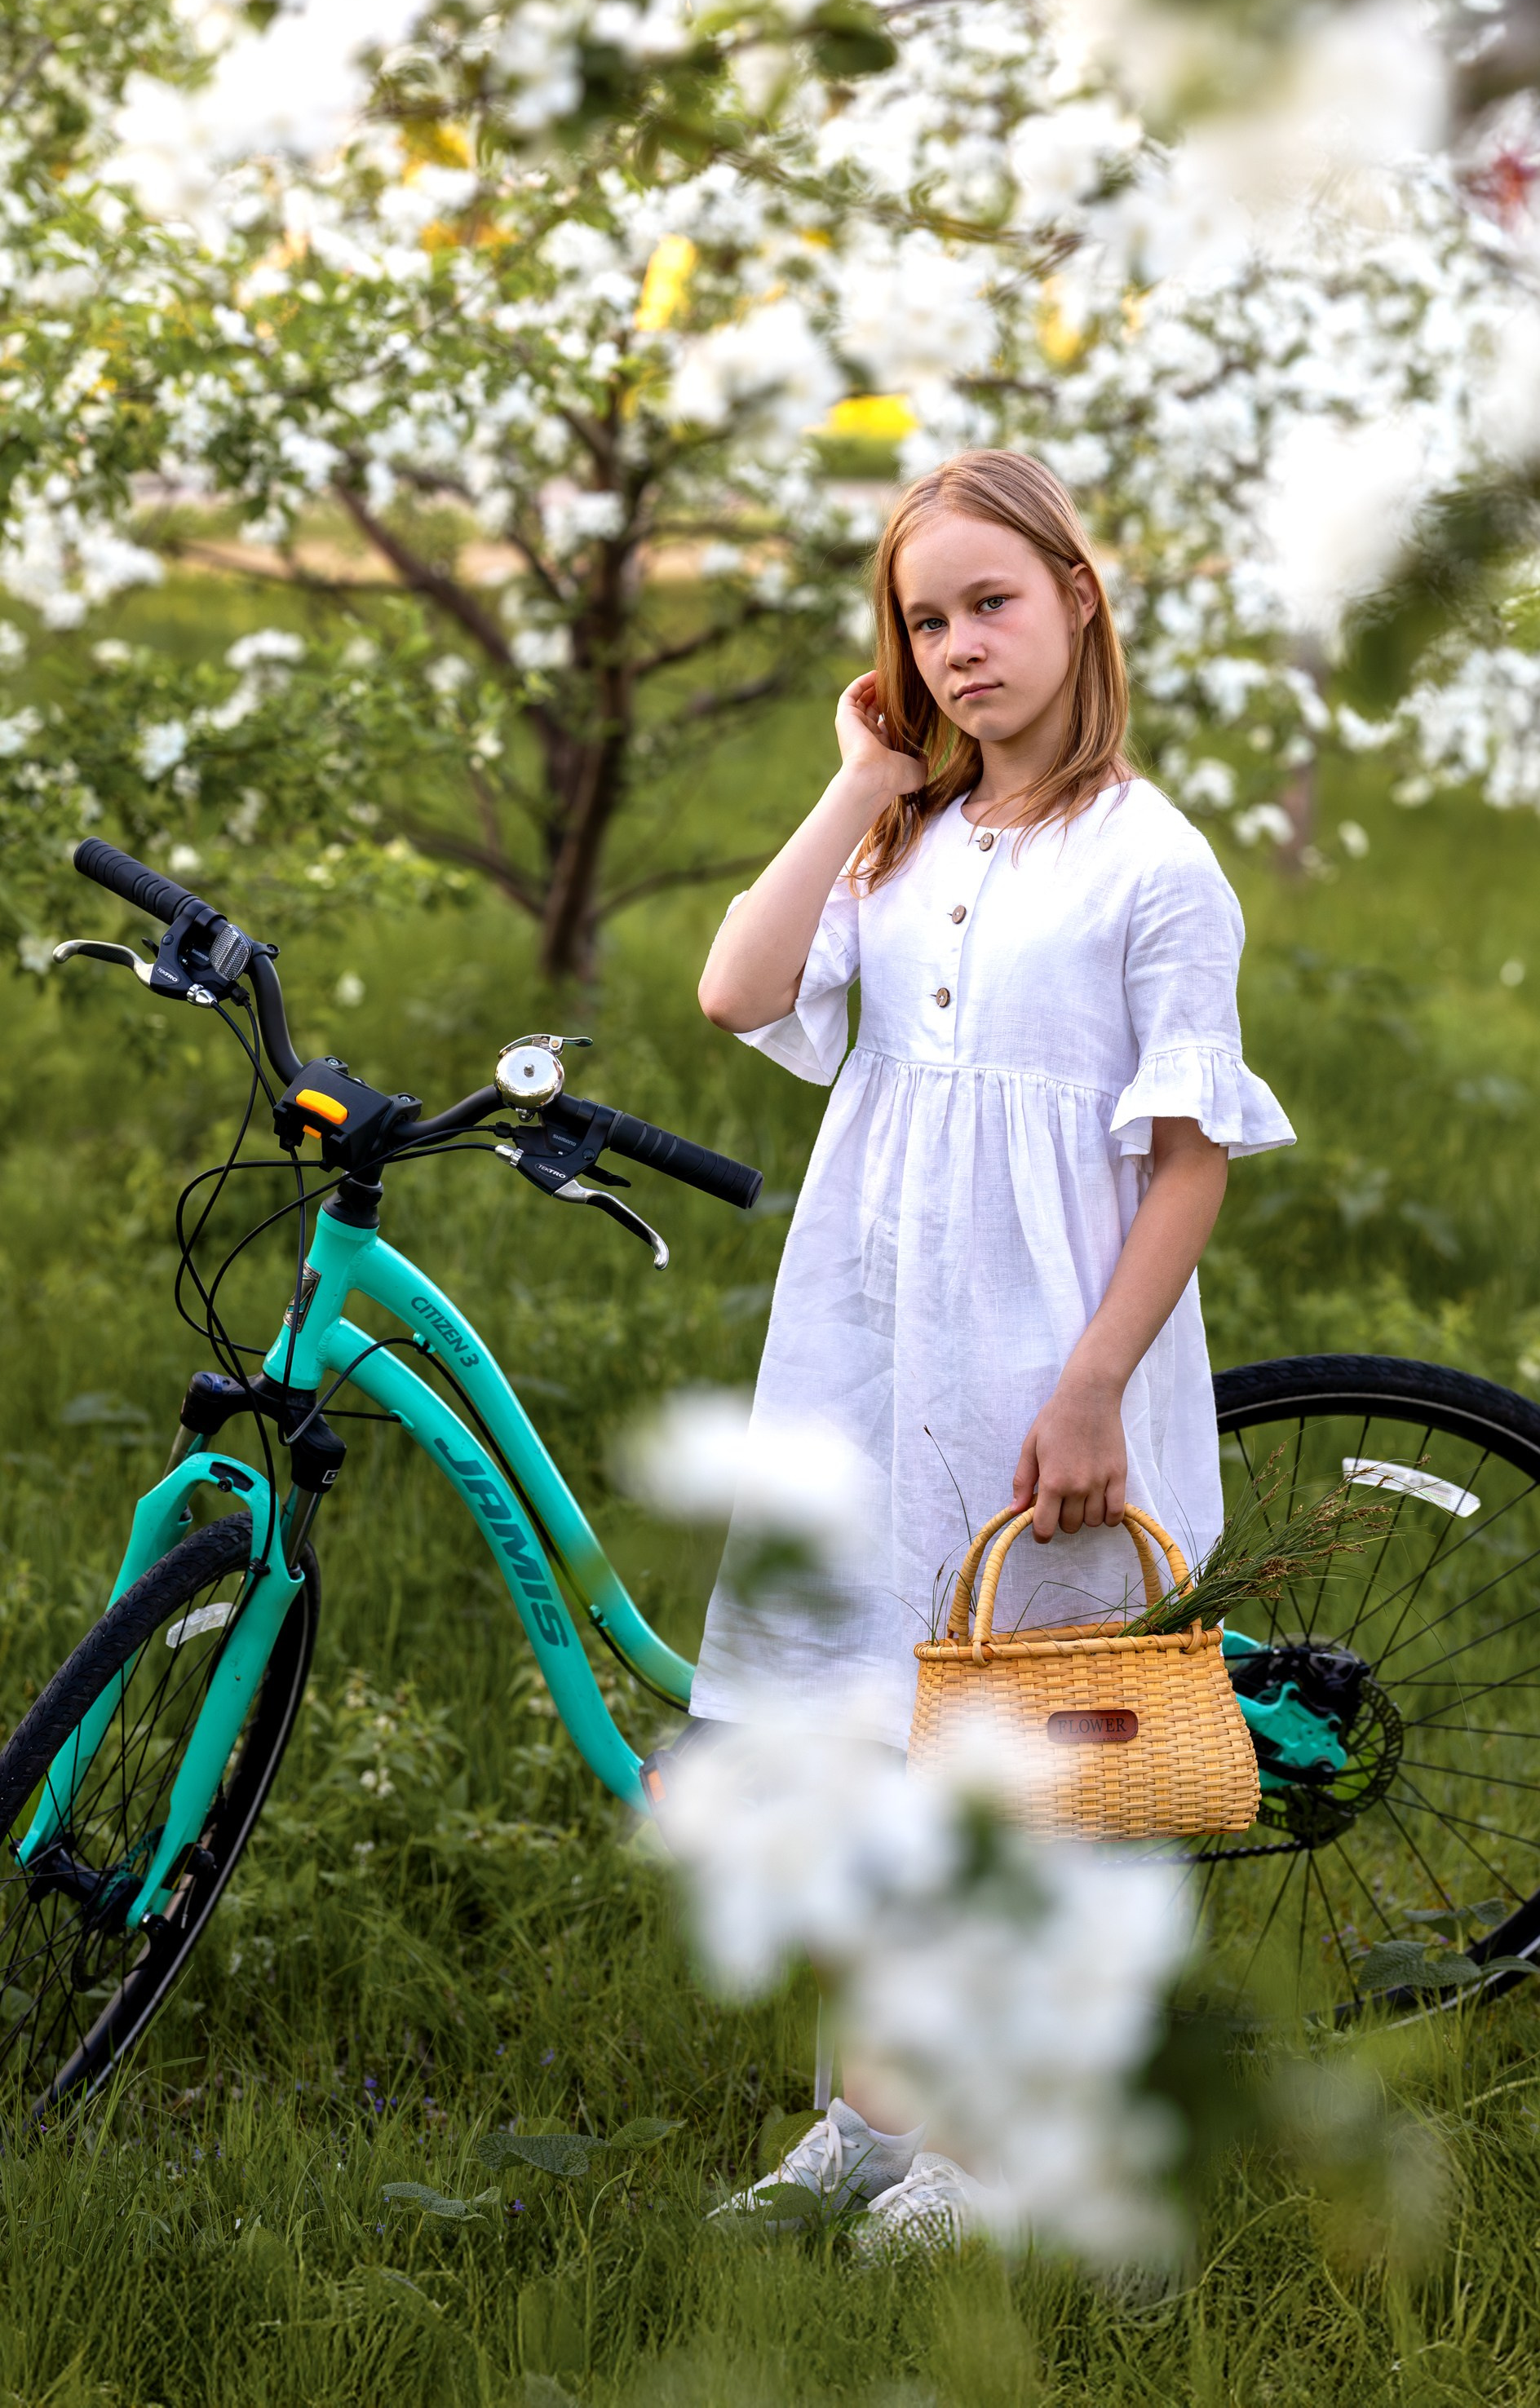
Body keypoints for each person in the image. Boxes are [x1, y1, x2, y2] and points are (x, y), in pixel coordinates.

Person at [690, 448, 1294, 2249]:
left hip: (1050, 1353)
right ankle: (870, 2114)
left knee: (1035, 1756)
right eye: (923, 621)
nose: (958, 647)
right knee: (881, 1736)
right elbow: (734, 991)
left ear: (1077, 600)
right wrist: (860, 778)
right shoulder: (907, 836)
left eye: (990, 604)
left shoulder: (1154, 867)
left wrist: (1094, 1382)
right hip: (875, 1350)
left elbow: (1187, 1157)